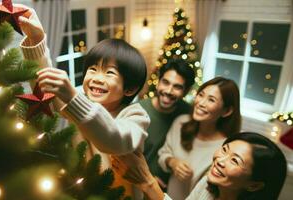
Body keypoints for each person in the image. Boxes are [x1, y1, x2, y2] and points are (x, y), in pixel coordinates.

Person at [18, 7, 150, 196]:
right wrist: (36, 40)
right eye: (93, 69)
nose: (97, 77)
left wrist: (73, 97)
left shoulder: (136, 116)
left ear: (129, 89)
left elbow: (114, 139)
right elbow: (45, 89)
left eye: (109, 72)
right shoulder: (80, 103)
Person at [112, 132, 287, 200]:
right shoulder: (209, 185)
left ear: (254, 185)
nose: (220, 160)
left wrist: (148, 183)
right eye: (224, 149)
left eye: (235, 160)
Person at [158, 77, 241, 199]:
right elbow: (163, 154)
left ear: (227, 111)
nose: (201, 103)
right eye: (201, 95)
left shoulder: (226, 149)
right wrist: (172, 162)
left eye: (211, 100)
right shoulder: (180, 123)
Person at [139, 59, 195, 188]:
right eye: (165, 82)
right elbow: (124, 156)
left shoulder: (188, 114)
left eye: (177, 87)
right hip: (140, 185)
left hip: (174, 188)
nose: (169, 91)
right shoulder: (137, 112)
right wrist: (147, 179)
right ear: (158, 83)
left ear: (186, 91)